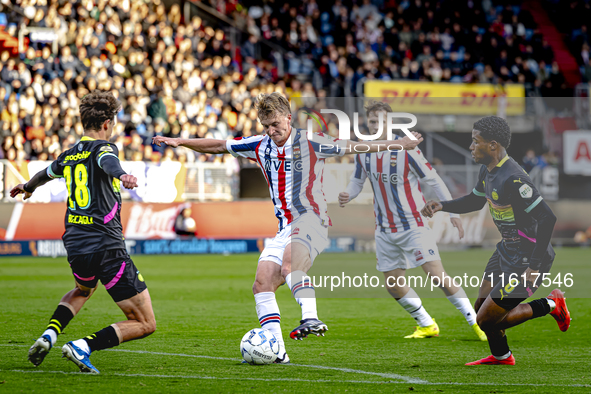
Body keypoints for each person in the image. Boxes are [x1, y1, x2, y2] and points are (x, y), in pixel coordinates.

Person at [153, 92, 423, 363]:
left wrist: (400, 144)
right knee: (262, 283)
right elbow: (217, 146)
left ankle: (310, 317)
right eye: (266, 126)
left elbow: (356, 147)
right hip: (285, 226)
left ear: (289, 119)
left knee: (290, 265)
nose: (272, 131)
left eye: (276, 125)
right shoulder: (259, 145)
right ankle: (278, 352)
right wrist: (181, 141)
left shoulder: (312, 141)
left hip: (311, 219)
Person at [11, 90, 155, 374]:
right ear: (106, 124)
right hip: (107, 246)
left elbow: (46, 174)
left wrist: (27, 187)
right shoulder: (104, 148)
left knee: (83, 289)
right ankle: (83, 346)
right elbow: (107, 161)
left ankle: (48, 336)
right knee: (145, 322)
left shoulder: (69, 155)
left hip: (76, 245)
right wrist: (121, 174)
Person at [422, 116, 570, 365]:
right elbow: (476, 200)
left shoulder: (515, 178)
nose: (471, 146)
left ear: (492, 145)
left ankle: (551, 304)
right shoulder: (488, 170)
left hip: (529, 257)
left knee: (484, 320)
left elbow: (547, 218)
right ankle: (502, 356)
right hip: (506, 251)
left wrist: (533, 267)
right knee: (482, 305)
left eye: (474, 141)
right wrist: (442, 205)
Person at [339, 101, 486, 341]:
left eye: (381, 121)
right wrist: (349, 193)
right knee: (394, 285)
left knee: (437, 275)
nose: (376, 125)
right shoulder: (363, 151)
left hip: (413, 225)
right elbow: (357, 181)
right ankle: (427, 324)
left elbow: (435, 181)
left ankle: (477, 322)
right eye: (373, 121)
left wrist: (452, 213)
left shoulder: (407, 149)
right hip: (384, 230)